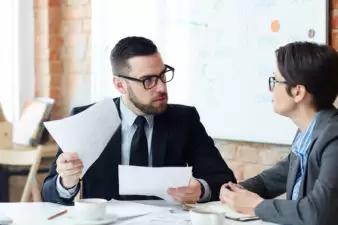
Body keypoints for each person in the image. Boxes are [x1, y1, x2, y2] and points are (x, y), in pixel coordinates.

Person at [42, 36, 236, 205]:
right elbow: (49, 192)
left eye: (163, 75)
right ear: (120, 85)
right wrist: (66, 182)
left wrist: (201, 189)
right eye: (148, 80)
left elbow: (224, 179)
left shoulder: (184, 119)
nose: (161, 87)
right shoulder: (88, 119)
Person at [219, 41, 338, 225]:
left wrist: (257, 206)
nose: (271, 89)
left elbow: (317, 212)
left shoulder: (333, 138)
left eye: (275, 81)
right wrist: (237, 190)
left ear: (298, 92)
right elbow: (271, 180)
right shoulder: (307, 133)